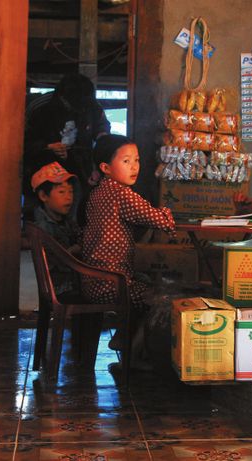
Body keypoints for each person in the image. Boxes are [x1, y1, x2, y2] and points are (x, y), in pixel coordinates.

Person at [82, 135, 176, 361]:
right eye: (126, 161)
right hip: (112, 284)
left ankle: (126, 337)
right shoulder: (121, 193)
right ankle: (133, 357)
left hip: (92, 280)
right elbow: (161, 221)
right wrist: (167, 213)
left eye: (137, 160)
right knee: (161, 298)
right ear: (106, 167)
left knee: (148, 282)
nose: (134, 166)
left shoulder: (99, 192)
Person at [23, 73, 110, 222]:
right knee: (41, 212)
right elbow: (23, 141)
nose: (78, 110)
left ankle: (72, 236)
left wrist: (102, 138)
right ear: (62, 96)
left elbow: (102, 127)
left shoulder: (92, 105)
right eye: (73, 105)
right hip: (43, 169)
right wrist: (47, 146)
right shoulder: (41, 107)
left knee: (79, 208)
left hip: (80, 167)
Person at [30, 162, 82, 295]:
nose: (69, 196)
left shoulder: (65, 221)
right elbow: (59, 261)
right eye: (62, 192)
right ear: (43, 196)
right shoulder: (43, 228)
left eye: (70, 191)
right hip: (62, 288)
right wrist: (74, 250)